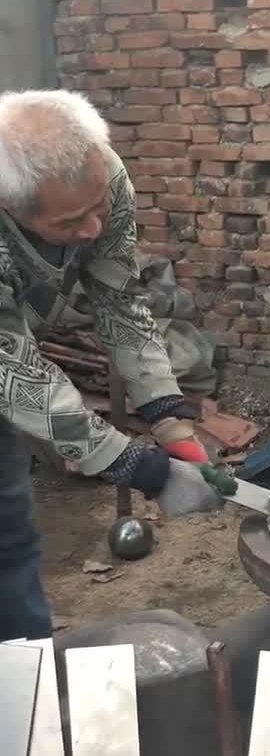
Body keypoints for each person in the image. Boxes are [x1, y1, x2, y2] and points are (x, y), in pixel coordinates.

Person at [0, 89, 234, 643]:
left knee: (10, 535)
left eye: (99, 208)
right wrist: (141, 469)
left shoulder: (100, 175)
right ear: (11, 208)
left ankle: (27, 673)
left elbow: (119, 299)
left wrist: (170, 418)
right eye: (70, 221)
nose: (92, 229)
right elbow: (16, 374)